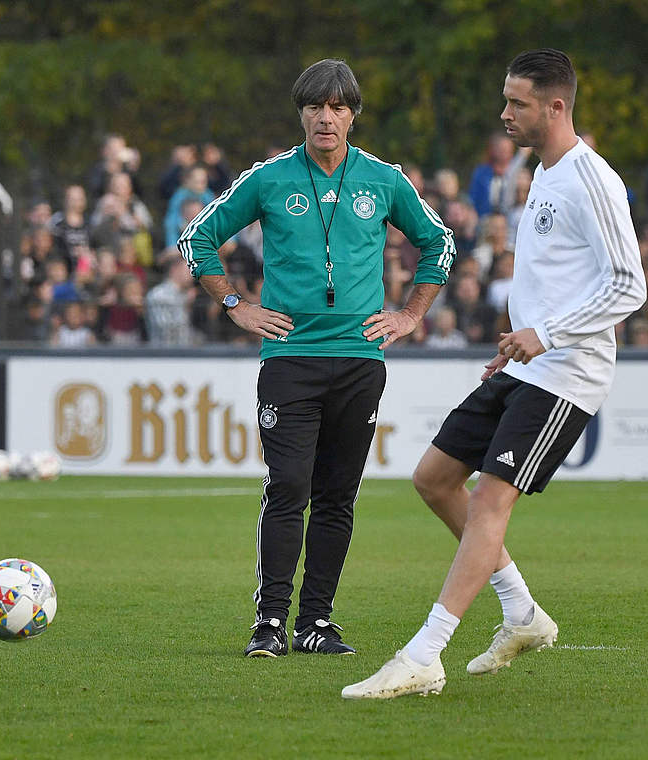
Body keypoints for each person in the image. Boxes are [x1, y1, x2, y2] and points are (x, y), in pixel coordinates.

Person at [343, 48, 645, 700]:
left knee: (488, 502)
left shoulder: (591, 179)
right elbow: (562, 277)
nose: (504, 113)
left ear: (556, 107)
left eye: (518, 103)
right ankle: (523, 615)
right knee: (433, 479)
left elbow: (629, 284)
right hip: (530, 363)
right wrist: (520, 341)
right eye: (505, 99)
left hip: (569, 374)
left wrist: (547, 334)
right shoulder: (541, 171)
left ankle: (425, 654)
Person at [177, 58, 455, 658]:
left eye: (336, 108)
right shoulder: (268, 178)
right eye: (314, 107)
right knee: (289, 486)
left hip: (360, 359)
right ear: (301, 113)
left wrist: (410, 315)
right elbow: (196, 236)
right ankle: (270, 622)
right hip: (290, 358)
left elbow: (440, 243)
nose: (325, 118)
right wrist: (234, 303)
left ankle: (317, 623)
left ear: (352, 115)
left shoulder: (384, 180)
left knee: (337, 495)